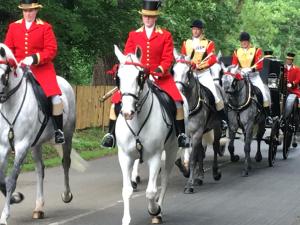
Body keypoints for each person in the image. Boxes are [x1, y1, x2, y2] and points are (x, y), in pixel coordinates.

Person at [101, 0, 188, 148]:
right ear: (142, 17)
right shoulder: (133, 35)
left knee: (177, 101)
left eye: (151, 16)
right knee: (116, 101)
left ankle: (180, 135)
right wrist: (134, 72)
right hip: (137, 78)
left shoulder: (165, 35)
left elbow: (167, 59)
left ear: (156, 17)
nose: (148, 19)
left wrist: (157, 72)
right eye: (145, 16)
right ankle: (111, 135)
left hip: (160, 78)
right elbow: (128, 57)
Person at [4, 0, 65, 144]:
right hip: (18, 68)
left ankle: (58, 131)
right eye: (25, 11)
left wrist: (34, 58)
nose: (27, 14)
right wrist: (13, 63)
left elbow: (51, 50)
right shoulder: (13, 27)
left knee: (55, 98)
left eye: (30, 11)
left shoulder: (45, 27)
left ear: (36, 10)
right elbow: (8, 49)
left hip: (42, 69)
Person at [181, 19, 227, 130]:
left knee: (215, 96)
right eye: (194, 29)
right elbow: (182, 58)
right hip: (189, 75)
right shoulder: (186, 43)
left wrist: (200, 66)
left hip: (204, 74)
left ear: (201, 31)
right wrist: (189, 64)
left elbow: (212, 59)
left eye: (197, 29)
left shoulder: (208, 43)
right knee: (179, 93)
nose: (195, 31)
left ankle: (222, 121)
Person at [232, 31, 272, 125]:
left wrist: (251, 69)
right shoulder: (236, 51)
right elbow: (234, 65)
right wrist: (237, 71)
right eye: (242, 41)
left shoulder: (256, 50)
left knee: (263, 94)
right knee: (231, 91)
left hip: (254, 77)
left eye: (245, 41)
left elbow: (259, 64)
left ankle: (267, 116)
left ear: (249, 42)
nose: (243, 43)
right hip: (242, 77)